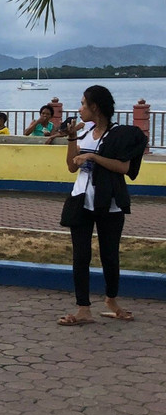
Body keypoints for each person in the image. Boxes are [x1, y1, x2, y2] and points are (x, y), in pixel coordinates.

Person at [57, 85, 147, 326]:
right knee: (80, 256)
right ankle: (83, 308)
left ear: (95, 107)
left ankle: (111, 300)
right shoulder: (84, 131)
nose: (80, 109)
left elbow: (124, 168)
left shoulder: (119, 135)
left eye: (83, 104)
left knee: (109, 255)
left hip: (110, 202)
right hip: (81, 200)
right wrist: (72, 138)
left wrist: (94, 157)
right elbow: (71, 166)